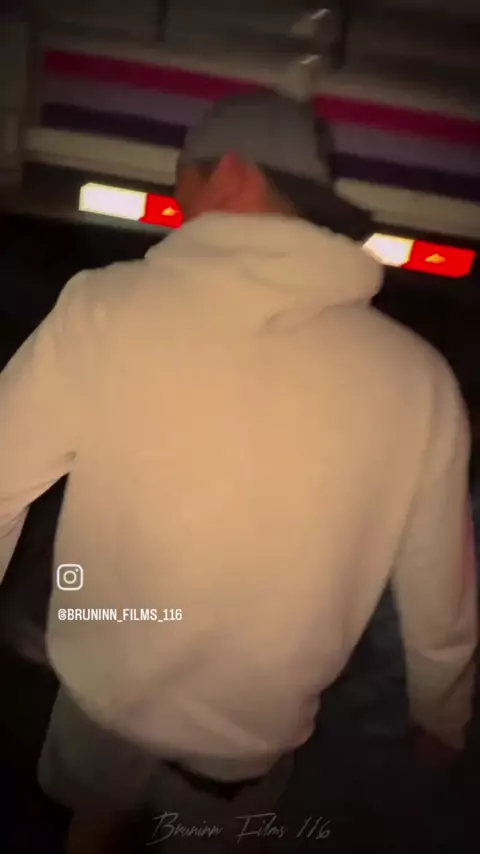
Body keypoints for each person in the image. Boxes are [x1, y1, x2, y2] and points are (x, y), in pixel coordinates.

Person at [0, 91, 476, 854]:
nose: (177, 203)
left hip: (99, 709)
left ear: (229, 174)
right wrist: (441, 718)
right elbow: (439, 592)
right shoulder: (418, 381)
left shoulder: (105, 308)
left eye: (182, 180)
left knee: (91, 826)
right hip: (240, 754)